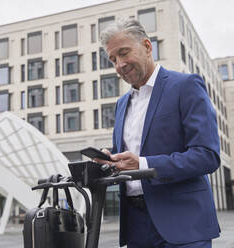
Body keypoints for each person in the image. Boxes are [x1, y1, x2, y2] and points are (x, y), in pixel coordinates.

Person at [95, 18, 221, 248]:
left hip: (183, 225)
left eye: (124, 53)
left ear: (147, 46)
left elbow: (207, 155)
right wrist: (111, 158)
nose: (119, 65)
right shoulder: (122, 104)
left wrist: (143, 164)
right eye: (113, 59)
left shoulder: (186, 86)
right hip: (137, 227)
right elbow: (134, 153)